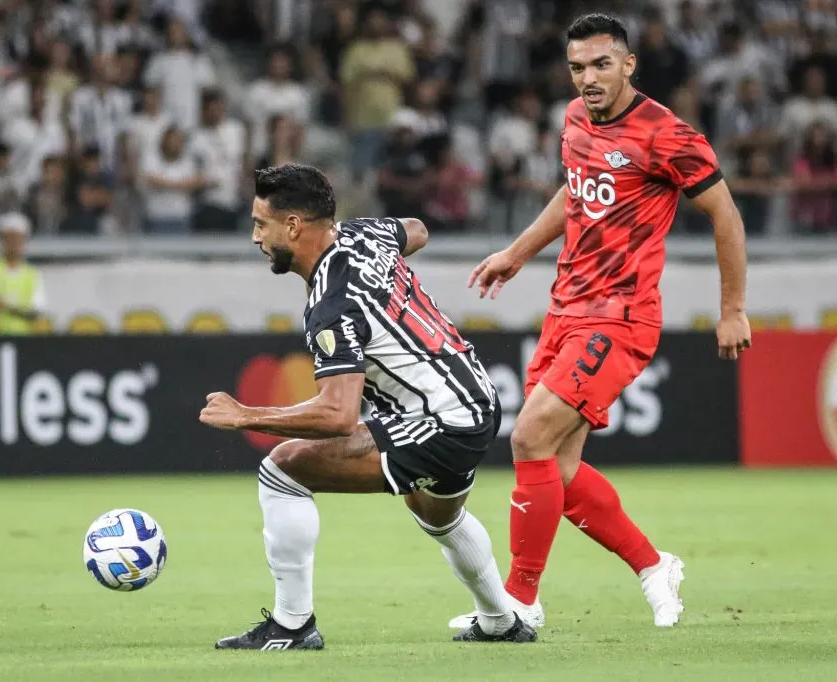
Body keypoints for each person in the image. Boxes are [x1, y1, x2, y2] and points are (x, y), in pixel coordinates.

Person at [450, 13, 752, 631]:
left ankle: (517, 602)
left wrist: (732, 309)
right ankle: (652, 564)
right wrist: (516, 252)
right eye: (577, 67)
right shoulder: (575, 119)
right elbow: (575, 190)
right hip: (566, 308)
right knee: (555, 469)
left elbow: (726, 216)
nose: (588, 78)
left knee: (528, 436)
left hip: (620, 317)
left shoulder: (667, 135)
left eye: (601, 65)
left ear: (628, 63)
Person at [199, 163, 536, 650]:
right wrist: (386, 264)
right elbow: (417, 230)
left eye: (261, 224)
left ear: (293, 225)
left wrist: (247, 415)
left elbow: (338, 416)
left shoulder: (333, 304)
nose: (255, 237)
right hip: (477, 401)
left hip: (439, 421)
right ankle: (501, 622)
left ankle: (292, 626)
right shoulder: (362, 234)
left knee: (282, 471)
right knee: (438, 515)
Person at [0, 212, 47, 335]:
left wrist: (4, 306)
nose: (13, 244)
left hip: (26, 339)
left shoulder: (32, 274)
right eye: (9, 239)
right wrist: (21, 311)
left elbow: (37, 311)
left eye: (18, 239)